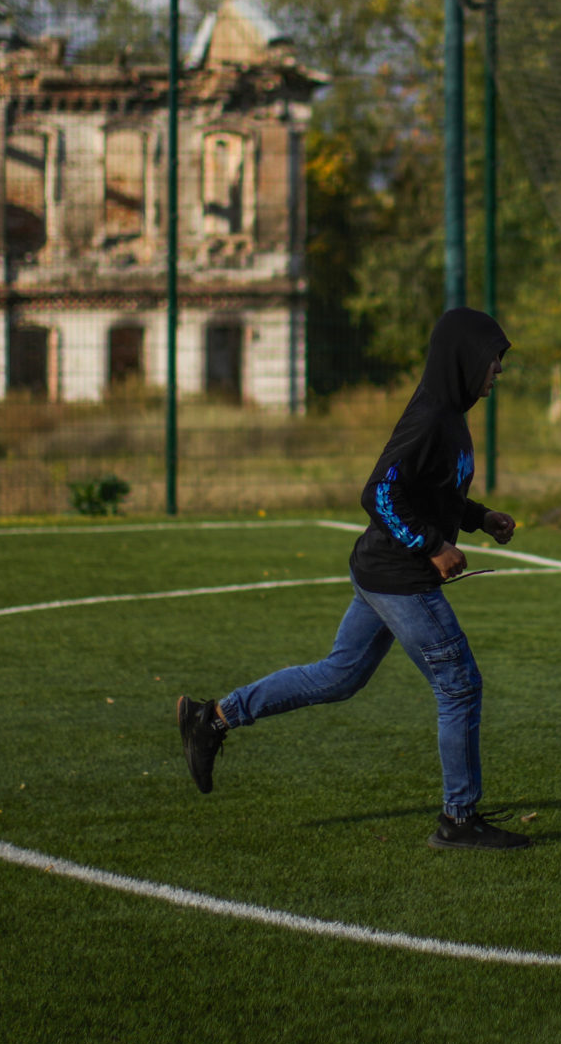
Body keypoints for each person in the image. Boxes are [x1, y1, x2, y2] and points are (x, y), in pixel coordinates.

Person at [175, 308, 529, 850]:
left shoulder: (451, 414)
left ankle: (213, 718)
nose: (497, 371)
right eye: (493, 359)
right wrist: (433, 546)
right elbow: (379, 493)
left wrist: (478, 517)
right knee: (459, 685)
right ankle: (458, 820)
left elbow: (427, 490)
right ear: (464, 358)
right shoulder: (432, 416)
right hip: (398, 576)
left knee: (339, 676)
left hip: (380, 571)